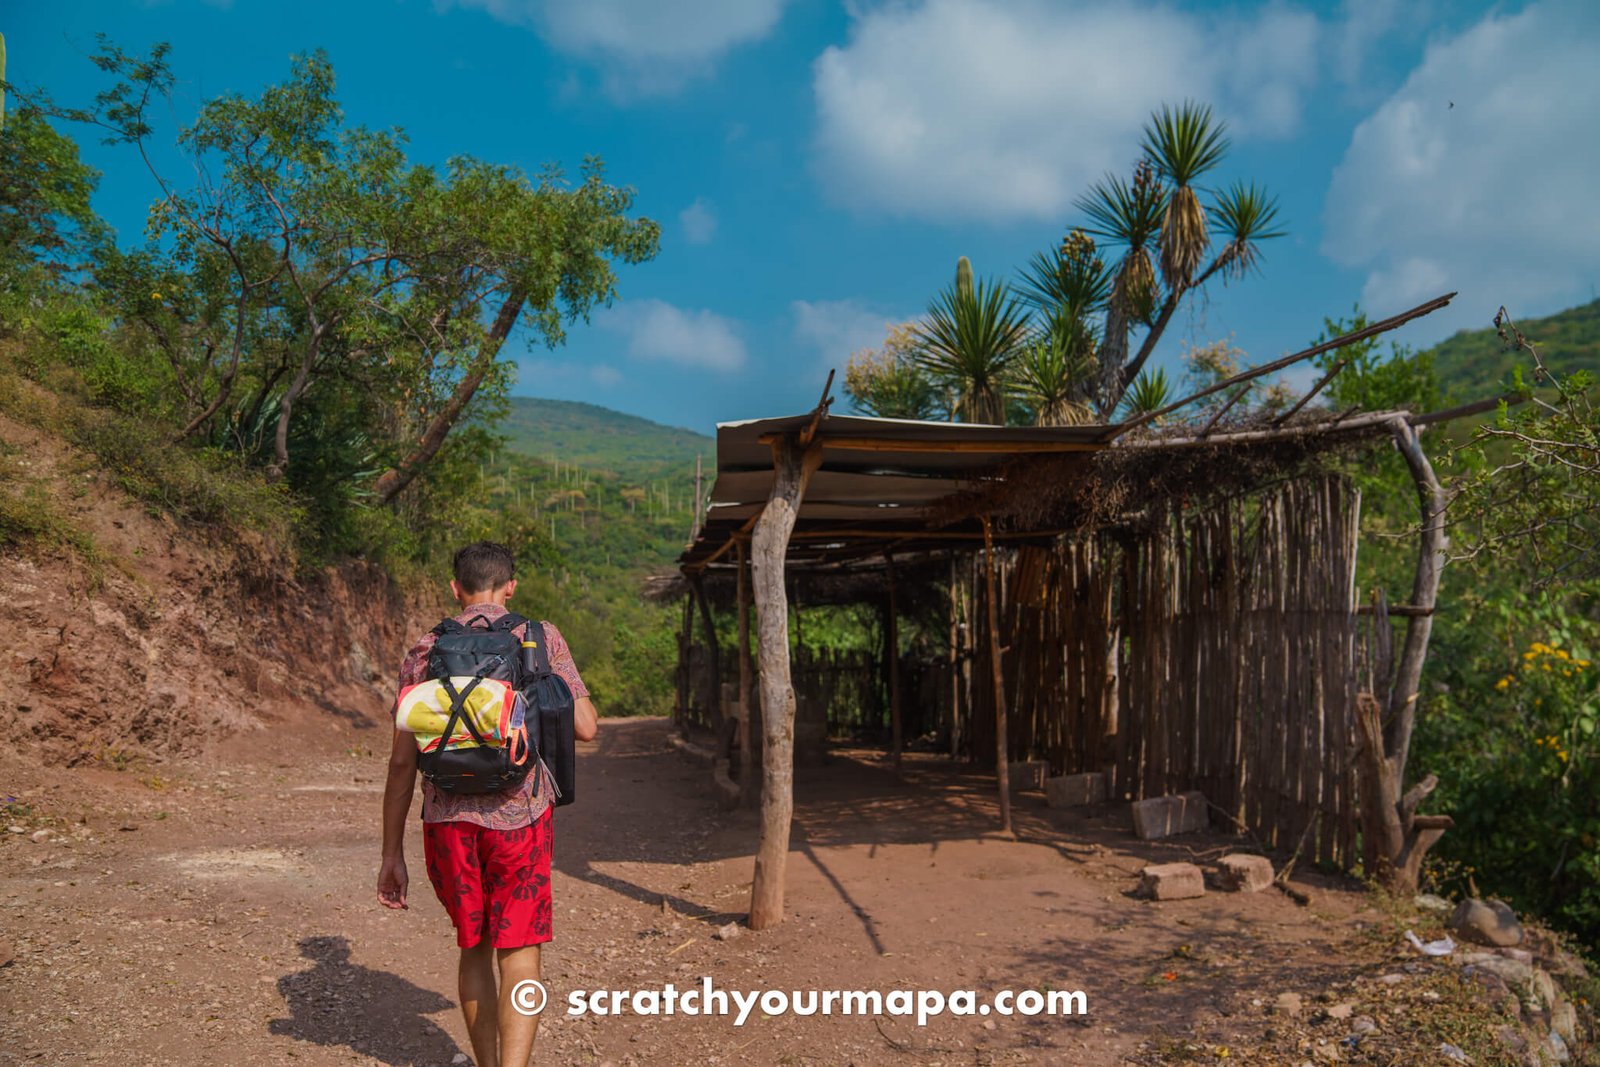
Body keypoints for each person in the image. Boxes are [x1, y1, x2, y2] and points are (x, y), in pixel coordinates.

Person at [377, 541, 598, 1067]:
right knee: (520, 953)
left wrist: (391, 853)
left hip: (448, 820)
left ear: (455, 589)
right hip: (520, 818)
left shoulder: (425, 649)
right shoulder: (540, 638)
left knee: (473, 947)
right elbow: (587, 727)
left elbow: (403, 762)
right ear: (511, 586)